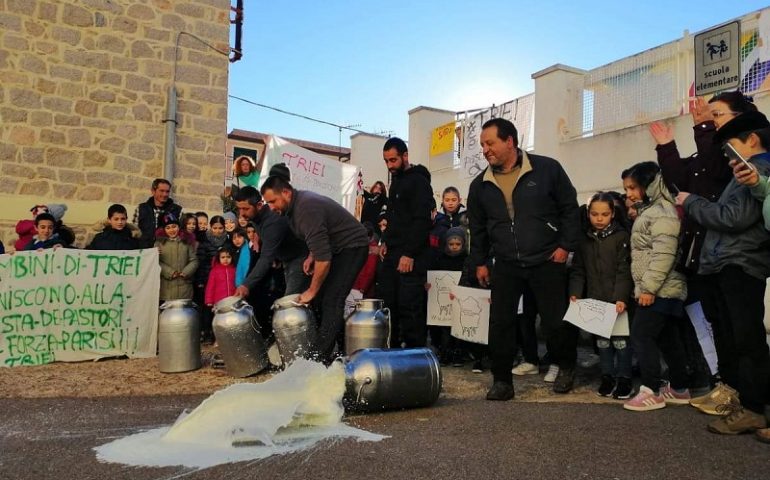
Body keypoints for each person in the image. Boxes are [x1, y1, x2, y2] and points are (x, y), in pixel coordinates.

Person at [468, 118, 580, 401]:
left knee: (555, 321)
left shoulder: (547, 169)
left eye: (490, 143)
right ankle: (502, 381)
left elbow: (569, 208)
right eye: (482, 144)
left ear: (510, 141)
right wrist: (480, 261)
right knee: (501, 323)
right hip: (506, 263)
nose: (485, 150)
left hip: (547, 259)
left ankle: (566, 367)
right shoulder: (480, 185)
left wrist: (565, 245)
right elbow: (478, 228)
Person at [677, 110, 770, 435]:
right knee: (737, 337)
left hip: (741, 263)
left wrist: (692, 202)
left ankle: (756, 408)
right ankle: (750, 404)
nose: (728, 156)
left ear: (752, 139)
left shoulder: (757, 168)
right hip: (731, 262)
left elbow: (733, 218)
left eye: (730, 146)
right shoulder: (746, 172)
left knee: (747, 339)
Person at [260, 175, 369, 363]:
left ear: (286, 193)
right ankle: (336, 349)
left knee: (332, 300)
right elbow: (319, 236)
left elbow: (324, 259)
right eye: (267, 203)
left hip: (353, 246)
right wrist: (312, 255)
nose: (271, 207)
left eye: (273, 201)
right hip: (337, 248)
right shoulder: (294, 208)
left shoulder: (305, 208)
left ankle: (317, 360)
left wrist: (312, 289)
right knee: (321, 301)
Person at [620, 162, 691, 412]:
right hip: (666, 289)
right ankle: (680, 388)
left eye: (633, 187)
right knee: (667, 338)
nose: (628, 193)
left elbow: (664, 253)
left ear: (649, 186)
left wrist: (648, 289)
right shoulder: (654, 211)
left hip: (659, 289)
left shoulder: (660, 212)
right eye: (626, 188)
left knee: (642, 334)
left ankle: (651, 390)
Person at [568, 192, 634, 399]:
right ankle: (607, 376)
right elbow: (578, 269)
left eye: (604, 214)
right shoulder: (584, 239)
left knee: (621, 342)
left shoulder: (622, 237)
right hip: (595, 300)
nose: (599, 218)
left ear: (613, 214)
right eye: (594, 214)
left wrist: (621, 297)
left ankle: (625, 378)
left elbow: (625, 270)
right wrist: (575, 293)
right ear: (588, 214)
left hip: (617, 301)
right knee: (602, 342)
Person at [376, 137, 434, 348]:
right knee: (390, 306)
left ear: (405, 156)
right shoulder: (396, 182)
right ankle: (392, 356)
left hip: (412, 256)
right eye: (386, 161)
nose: (390, 165)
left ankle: (414, 357)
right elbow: (394, 217)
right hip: (392, 253)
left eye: (393, 160)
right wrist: (384, 241)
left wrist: (409, 254)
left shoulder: (418, 181)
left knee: (410, 309)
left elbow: (422, 220)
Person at [233, 186, 309, 298]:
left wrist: (246, 285)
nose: (241, 214)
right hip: (285, 259)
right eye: (239, 209)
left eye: (245, 209)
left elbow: (266, 258)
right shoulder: (255, 217)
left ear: (259, 205)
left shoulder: (272, 221)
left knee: (291, 302)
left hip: (300, 259)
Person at [194, 215, 228, 343]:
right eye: (215, 228)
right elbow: (201, 263)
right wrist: (201, 281)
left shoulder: (227, 242)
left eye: (220, 228)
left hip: (223, 282)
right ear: (211, 228)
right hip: (209, 280)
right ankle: (207, 332)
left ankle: (219, 335)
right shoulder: (205, 243)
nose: (218, 231)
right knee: (207, 307)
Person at [155, 213, 198, 302]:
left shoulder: (186, 241)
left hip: (184, 288)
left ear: (178, 227)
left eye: (174, 226)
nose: (171, 230)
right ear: (164, 229)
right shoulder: (159, 243)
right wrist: (170, 272)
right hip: (166, 290)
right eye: (168, 228)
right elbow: (156, 261)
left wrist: (186, 272)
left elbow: (194, 260)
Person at [134, 178, 182, 249]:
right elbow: (136, 232)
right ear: (153, 191)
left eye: (167, 191)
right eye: (161, 191)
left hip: (168, 252)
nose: (165, 194)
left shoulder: (177, 210)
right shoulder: (141, 208)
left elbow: (182, 234)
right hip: (146, 252)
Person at [205, 246, 237, 310]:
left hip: (233, 301)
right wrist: (209, 300)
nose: (225, 259)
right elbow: (210, 287)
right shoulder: (214, 271)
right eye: (223, 257)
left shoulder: (234, 270)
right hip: (219, 301)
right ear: (218, 258)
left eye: (228, 257)